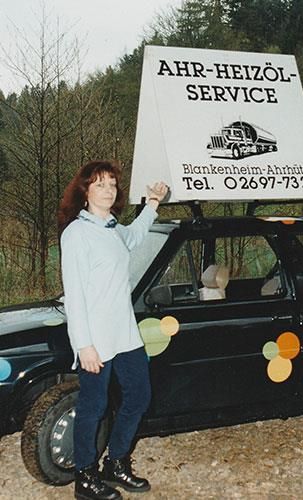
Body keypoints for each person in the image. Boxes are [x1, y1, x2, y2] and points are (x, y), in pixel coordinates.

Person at [58, 160, 168, 500]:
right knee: (94, 407)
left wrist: (152, 203)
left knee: (139, 396)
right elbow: (74, 295)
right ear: (85, 191)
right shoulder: (77, 234)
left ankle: (116, 463)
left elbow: (134, 237)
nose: (108, 190)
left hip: (125, 333)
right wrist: (84, 345)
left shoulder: (111, 228)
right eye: (100, 184)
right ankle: (85, 478)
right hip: (97, 339)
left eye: (112, 184)